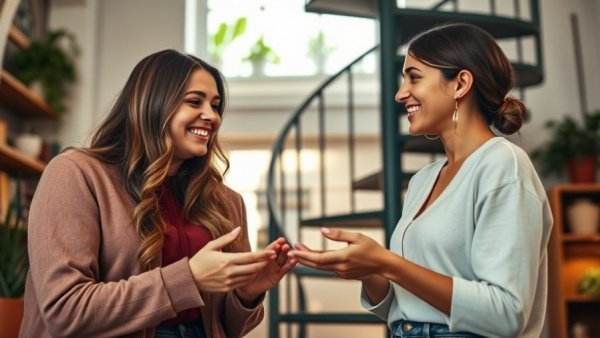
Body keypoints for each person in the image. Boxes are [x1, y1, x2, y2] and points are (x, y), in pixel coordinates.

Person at [290, 23, 553, 338]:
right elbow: (404, 308)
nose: (400, 94)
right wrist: (371, 271)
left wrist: (388, 263)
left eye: (414, 77)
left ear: (460, 84)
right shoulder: (422, 181)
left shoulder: (502, 164)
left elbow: (506, 313)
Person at [20, 49, 296, 338]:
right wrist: (188, 279)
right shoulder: (76, 174)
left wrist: (246, 295)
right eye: (194, 101)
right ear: (152, 104)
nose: (211, 116)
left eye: (215, 106)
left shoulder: (227, 202)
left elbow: (226, 329)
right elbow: (64, 311)